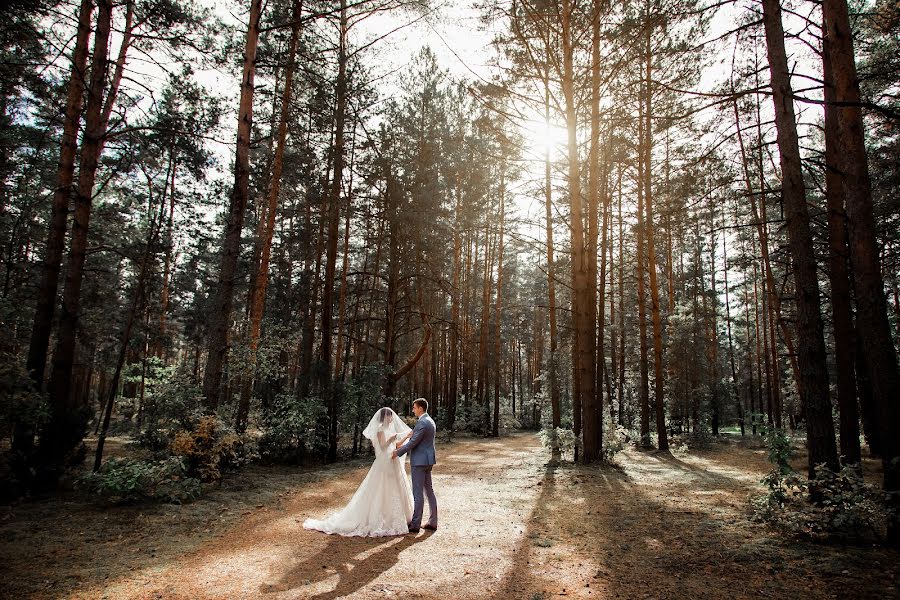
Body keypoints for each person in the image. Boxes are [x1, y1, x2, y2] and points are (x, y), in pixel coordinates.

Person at [303, 407, 413, 536]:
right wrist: (391, 438)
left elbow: (396, 446)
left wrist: (406, 436)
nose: (392, 419)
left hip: (391, 461)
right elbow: (383, 446)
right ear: (385, 417)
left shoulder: (390, 429)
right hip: (383, 462)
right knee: (380, 489)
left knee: (393, 488)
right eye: (390, 416)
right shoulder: (380, 430)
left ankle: (397, 517)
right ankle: (379, 519)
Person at [392, 398, 437, 533]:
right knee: (429, 491)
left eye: (414, 407)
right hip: (428, 461)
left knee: (418, 493)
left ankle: (415, 524)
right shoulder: (430, 421)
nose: (413, 410)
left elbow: (413, 443)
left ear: (420, 409)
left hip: (420, 462)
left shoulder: (422, 423)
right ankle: (433, 521)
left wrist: (397, 452)